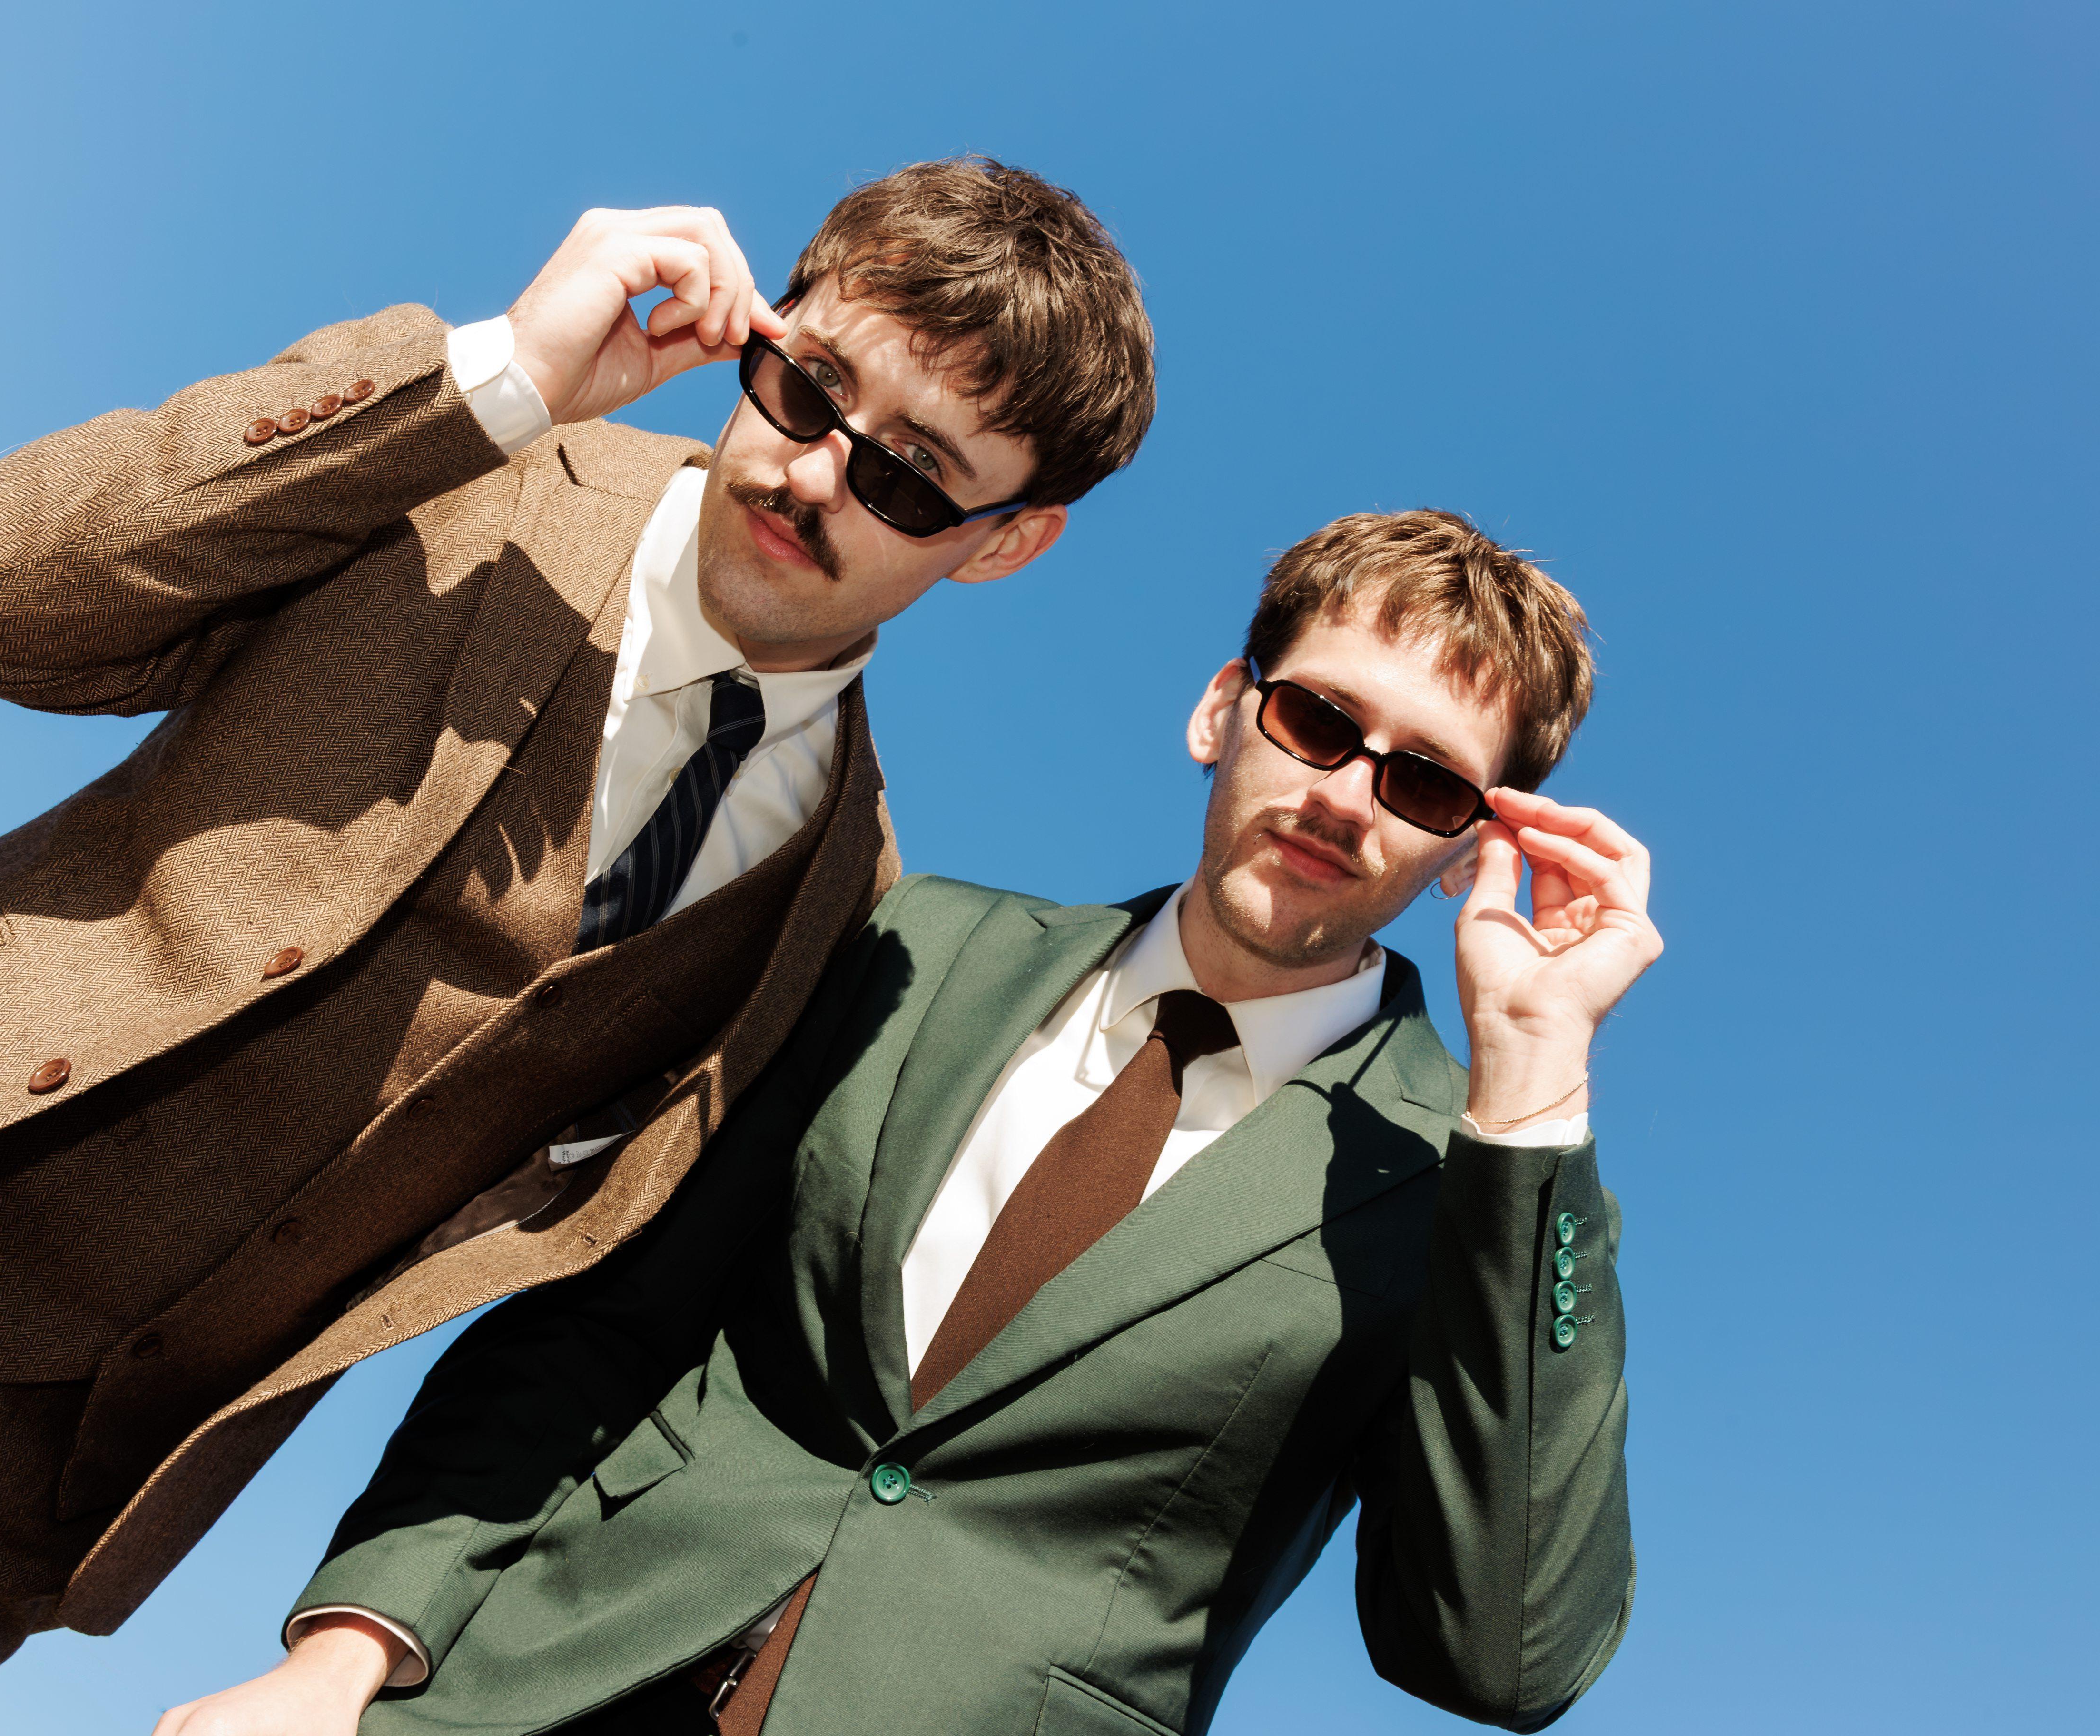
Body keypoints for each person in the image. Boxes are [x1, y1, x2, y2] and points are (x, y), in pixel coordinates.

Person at [0, 159, 1157, 1735]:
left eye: (909, 475)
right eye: (807, 389)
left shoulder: (841, 900)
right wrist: (500, 375)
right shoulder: (461, 455)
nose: (811, 474)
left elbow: (607, 1305)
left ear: (1008, 539)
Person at [160, 510, 1656, 1736]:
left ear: (1475, 850)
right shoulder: (914, 945)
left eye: (1425, 783)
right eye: (1320, 719)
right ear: (1224, 709)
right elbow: (606, 1324)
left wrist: (1533, 1086)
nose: (1346, 797)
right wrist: (348, 1651)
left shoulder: (1461, 1192)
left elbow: (1501, 1657)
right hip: (524, 1686)